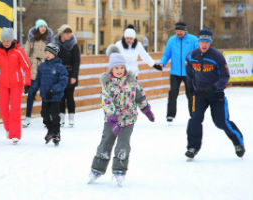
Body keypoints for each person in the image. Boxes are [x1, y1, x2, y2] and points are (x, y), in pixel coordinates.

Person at [88, 45, 155, 186]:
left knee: (123, 145)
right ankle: (97, 170)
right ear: (111, 69)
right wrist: (112, 118)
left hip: (129, 120)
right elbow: (106, 101)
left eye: (122, 68)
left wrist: (146, 109)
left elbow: (140, 97)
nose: (119, 71)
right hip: (112, 121)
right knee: (105, 143)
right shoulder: (107, 84)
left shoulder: (132, 82)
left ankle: (119, 171)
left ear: (125, 68)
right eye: (116, 68)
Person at [185, 28, 245, 159]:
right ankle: (192, 147)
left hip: (216, 94)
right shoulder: (191, 56)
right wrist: (190, 88)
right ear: (198, 42)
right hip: (199, 94)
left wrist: (215, 87)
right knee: (195, 120)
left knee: (220, 122)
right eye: (202, 41)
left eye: (207, 41)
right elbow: (189, 74)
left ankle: (238, 141)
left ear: (210, 42)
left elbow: (225, 76)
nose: (204, 44)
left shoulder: (217, 56)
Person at [0, 27, 31, 144]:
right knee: (2, 108)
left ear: (12, 40)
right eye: (4, 41)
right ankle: (9, 128)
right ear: (1, 40)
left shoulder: (19, 51)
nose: (6, 43)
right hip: (2, 84)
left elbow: (27, 68)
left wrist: (27, 83)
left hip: (16, 84)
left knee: (15, 109)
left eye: (8, 40)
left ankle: (15, 135)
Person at [153, 22, 198, 122]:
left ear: (185, 30)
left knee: (191, 94)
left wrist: (193, 62)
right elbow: (166, 54)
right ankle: (170, 115)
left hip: (189, 72)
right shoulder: (172, 40)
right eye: (177, 30)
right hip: (175, 72)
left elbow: (198, 53)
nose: (178, 32)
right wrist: (162, 63)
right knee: (173, 93)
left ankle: (194, 114)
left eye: (180, 31)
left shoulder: (193, 40)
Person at [31, 43, 68, 145]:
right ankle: (51, 131)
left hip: (55, 97)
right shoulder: (42, 66)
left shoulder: (60, 67)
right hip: (45, 96)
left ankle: (56, 134)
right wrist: (33, 90)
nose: (47, 55)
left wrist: (53, 90)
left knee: (55, 115)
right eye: (46, 53)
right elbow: (38, 80)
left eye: (50, 53)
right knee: (45, 115)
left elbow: (63, 81)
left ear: (55, 54)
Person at [22, 19, 54, 128]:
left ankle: (47, 118)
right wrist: (28, 62)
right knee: (31, 93)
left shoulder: (49, 39)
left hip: (46, 68)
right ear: (37, 28)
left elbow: (54, 53)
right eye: (41, 26)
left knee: (46, 95)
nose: (43, 28)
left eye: (44, 26)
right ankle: (27, 117)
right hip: (34, 69)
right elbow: (26, 52)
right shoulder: (32, 38)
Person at [54, 24, 80, 127]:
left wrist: (74, 76)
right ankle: (61, 118)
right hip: (59, 74)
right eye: (66, 33)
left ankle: (71, 118)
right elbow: (53, 59)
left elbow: (76, 61)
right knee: (60, 96)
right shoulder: (55, 44)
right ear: (62, 34)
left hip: (70, 74)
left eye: (70, 33)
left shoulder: (74, 45)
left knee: (69, 96)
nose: (69, 35)